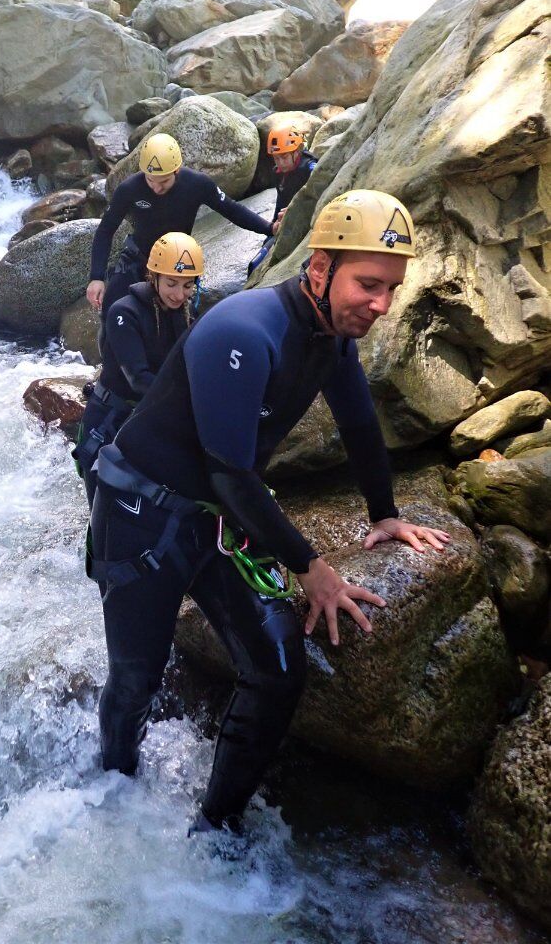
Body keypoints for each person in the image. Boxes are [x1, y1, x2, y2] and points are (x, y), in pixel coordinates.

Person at [86, 189, 449, 833]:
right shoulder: (244, 330)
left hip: (216, 518)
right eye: (369, 284)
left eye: (391, 288)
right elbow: (231, 475)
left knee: (279, 673)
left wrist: (385, 513)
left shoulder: (329, 339)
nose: (382, 304)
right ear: (318, 268)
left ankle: (215, 828)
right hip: (141, 510)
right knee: (136, 677)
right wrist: (313, 569)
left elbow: (361, 424)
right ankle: (112, 790)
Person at [86, 133, 272, 331]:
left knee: (181, 323)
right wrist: (96, 277)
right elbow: (106, 230)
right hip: (138, 258)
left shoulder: (196, 184)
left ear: (176, 170)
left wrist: (269, 228)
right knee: (111, 310)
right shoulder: (129, 189)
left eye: (164, 181)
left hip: (175, 265)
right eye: (151, 180)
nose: (157, 188)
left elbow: (232, 210)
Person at [74, 233, 204, 507]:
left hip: (148, 418)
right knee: (105, 512)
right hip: (109, 422)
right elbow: (138, 379)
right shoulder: (124, 312)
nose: (179, 294)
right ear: (152, 275)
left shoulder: (184, 312)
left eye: (188, 285)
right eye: (171, 284)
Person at [247, 126, 318, 275]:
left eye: (284, 157)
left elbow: (320, 195)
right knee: (255, 264)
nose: (280, 163)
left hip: (307, 224)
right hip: (286, 224)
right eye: (276, 158)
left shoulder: (310, 167)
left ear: (297, 151)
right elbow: (280, 203)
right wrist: (272, 229)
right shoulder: (279, 173)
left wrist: (295, 209)